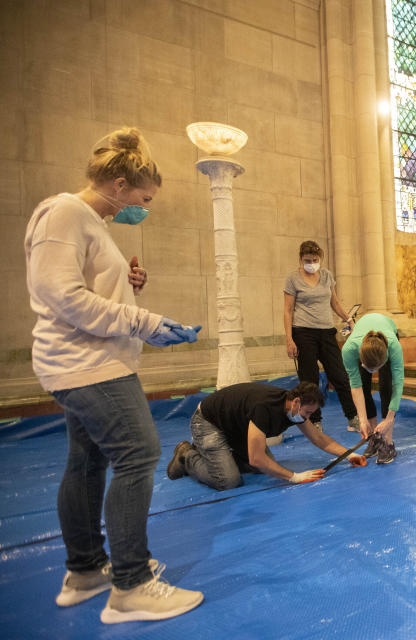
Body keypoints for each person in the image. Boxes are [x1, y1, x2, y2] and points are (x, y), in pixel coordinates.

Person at [24, 127, 204, 624]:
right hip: (86, 365)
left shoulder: (91, 223)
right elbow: (61, 296)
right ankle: (131, 586)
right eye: (142, 198)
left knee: (86, 461)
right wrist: (144, 322)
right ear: (120, 185)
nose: (142, 208)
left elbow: (86, 292)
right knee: (139, 452)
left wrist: (126, 285)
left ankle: (85, 571)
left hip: (89, 361)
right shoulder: (64, 212)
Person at [165, 381, 366, 491]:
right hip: (209, 422)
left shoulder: (293, 410)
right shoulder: (265, 408)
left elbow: (319, 438)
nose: (308, 418)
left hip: (234, 426)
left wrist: (348, 455)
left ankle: (222, 458)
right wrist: (294, 477)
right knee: (228, 481)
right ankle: (186, 455)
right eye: (307, 413)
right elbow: (256, 458)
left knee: (267, 467)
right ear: (296, 402)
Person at [283, 240, 360, 431]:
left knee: (340, 376)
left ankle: (352, 417)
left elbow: (334, 302)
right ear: (301, 259)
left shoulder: (326, 276)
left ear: (320, 258)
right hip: (303, 333)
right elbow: (287, 310)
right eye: (307, 260)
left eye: (315, 259)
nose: (311, 263)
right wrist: (289, 339)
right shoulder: (292, 279)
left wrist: (348, 319)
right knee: (310, 380)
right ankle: (315, 421)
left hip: (326, 332)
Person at [340, 313, 405, 464]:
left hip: (387, 334)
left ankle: (388, 443)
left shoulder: (394, 347)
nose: (372, 371)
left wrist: (389, 419)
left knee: (386, 386)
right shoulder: (349, 350)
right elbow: (356, 387)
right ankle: (375, 438)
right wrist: (362, 420)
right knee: (364, 383)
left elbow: (398, 384)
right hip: (362, 338)